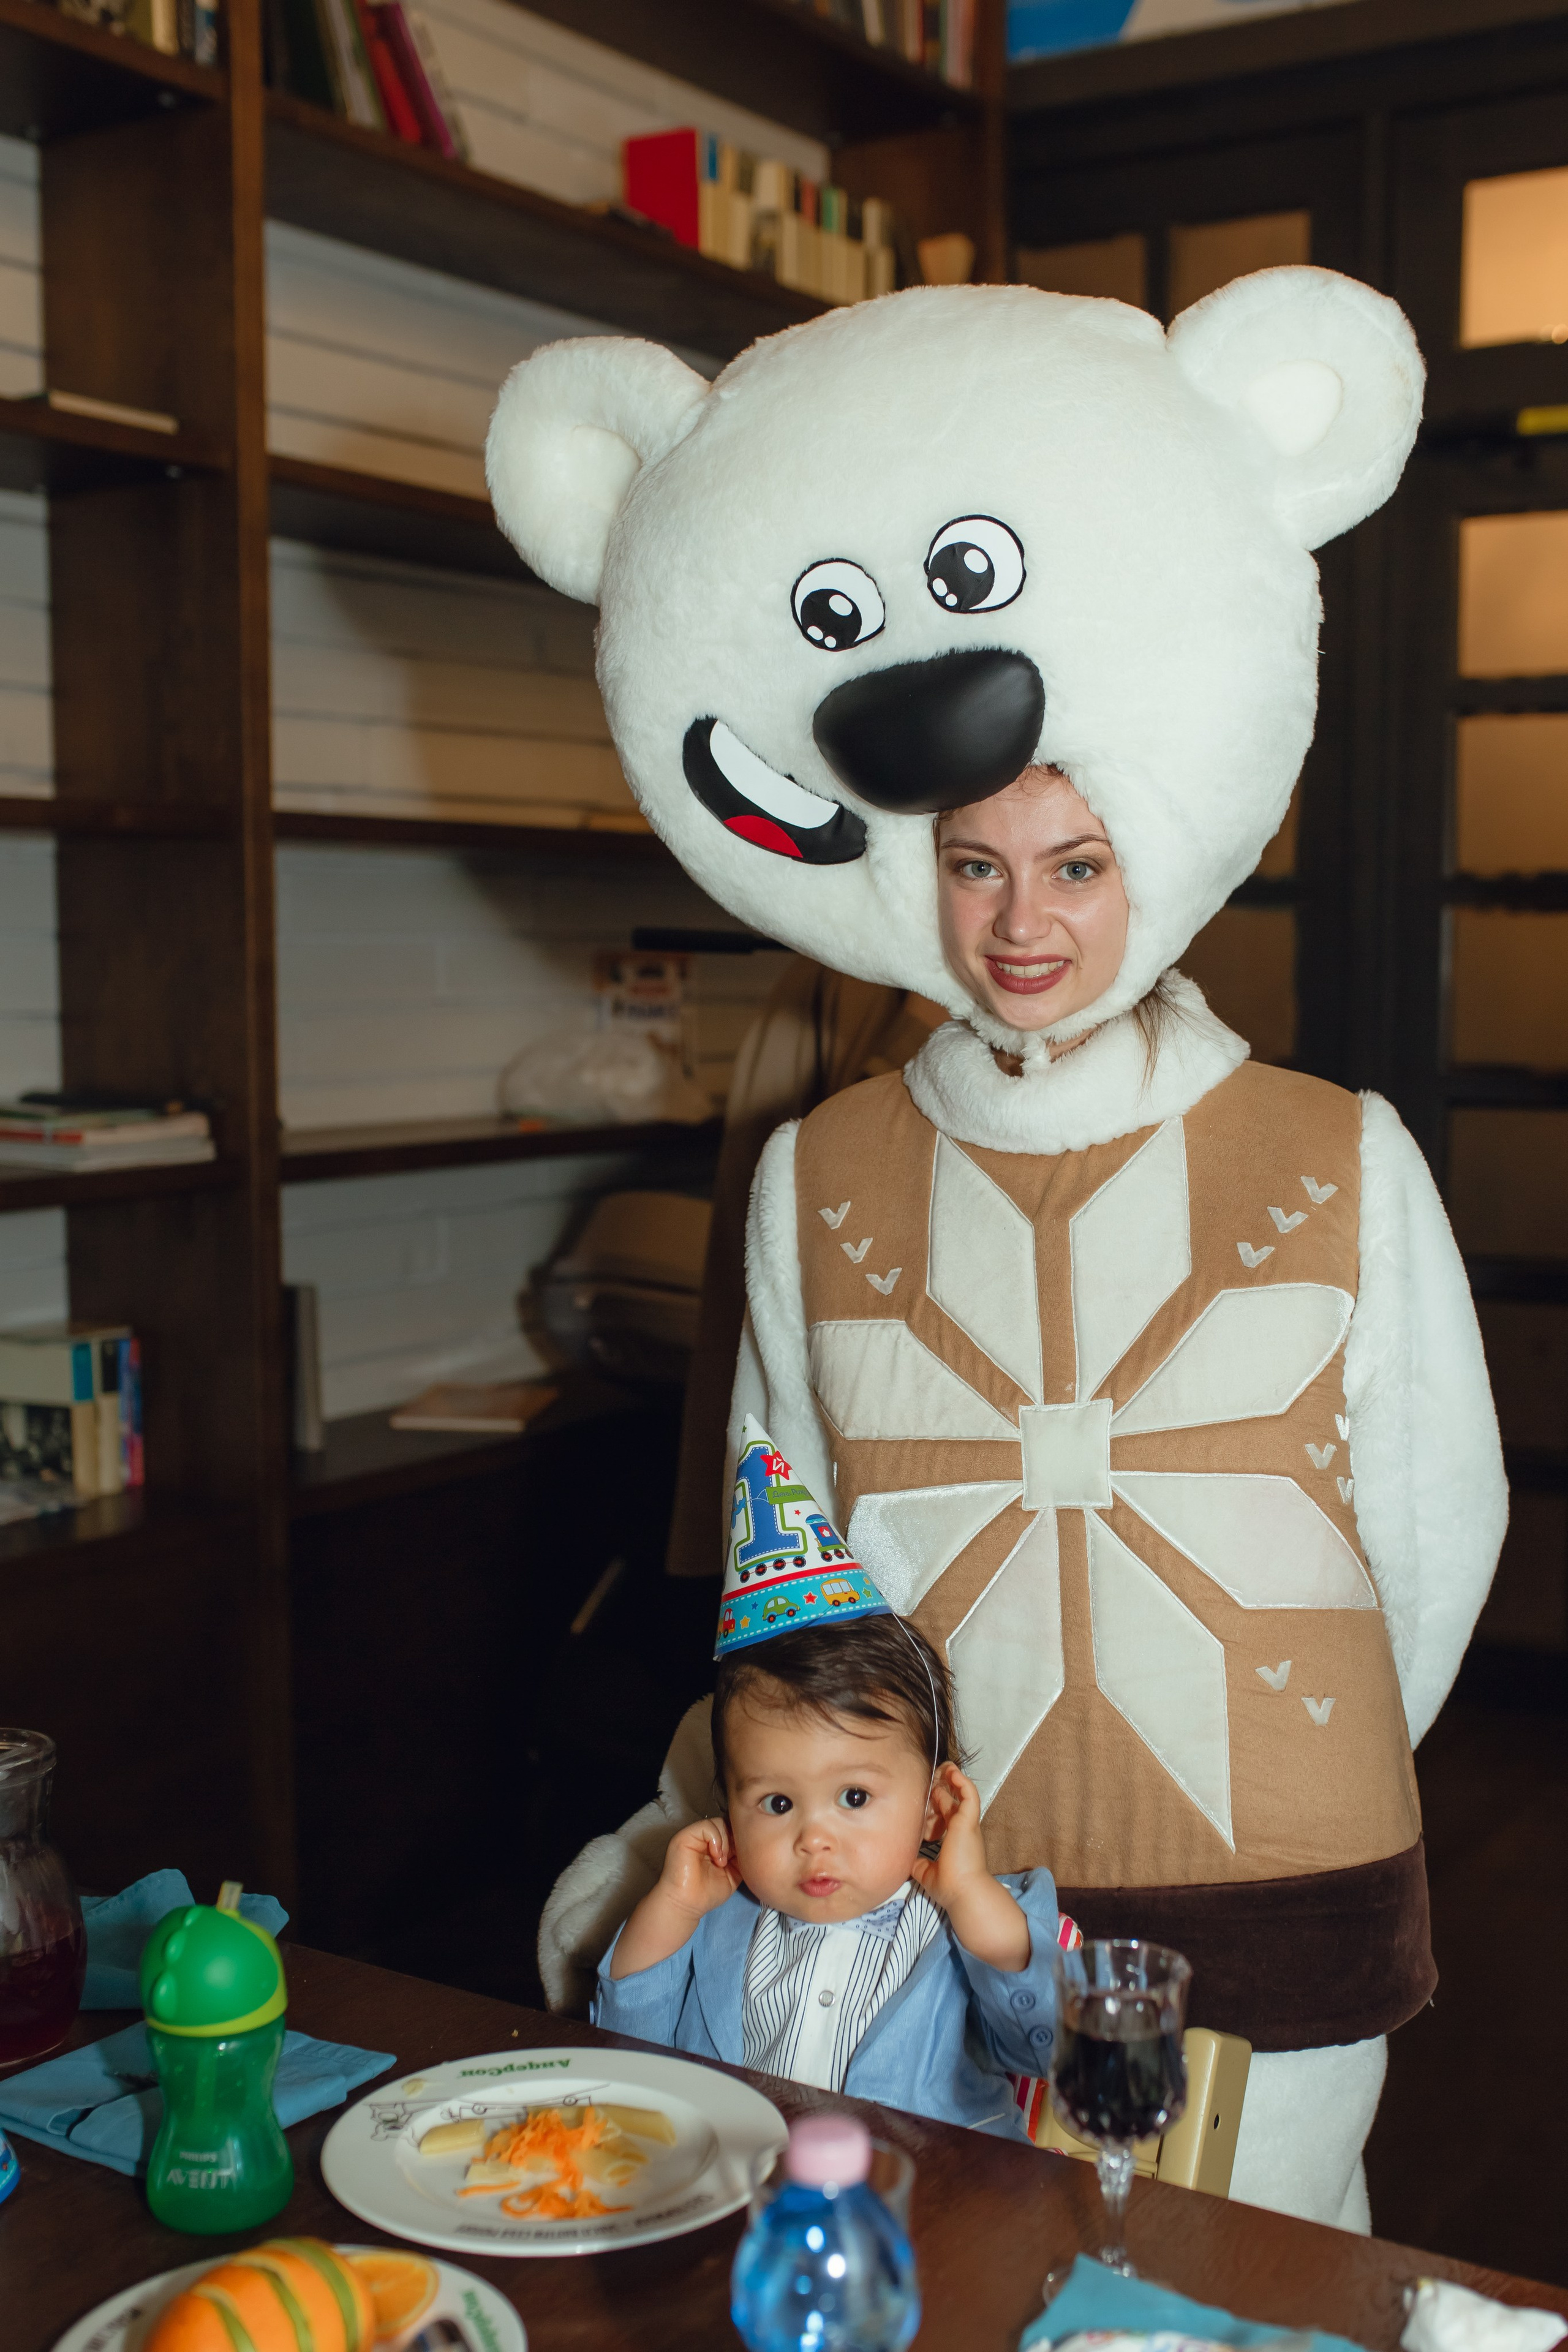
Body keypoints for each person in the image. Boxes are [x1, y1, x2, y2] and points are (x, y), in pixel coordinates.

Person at [487, 269, 1509, 2230]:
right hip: (900, 1926)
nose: (1019, 921)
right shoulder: (819, 1175)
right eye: (972, 864)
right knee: (940, 2276)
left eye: (1073, 863)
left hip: (1276, 1903)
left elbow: (1430, 1539)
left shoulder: (1339, 1153)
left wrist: (1292, 1753)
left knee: (1253, 2290)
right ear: (912, 872)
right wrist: (743, 1820)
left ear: (1154, 844)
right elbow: (797, 1580)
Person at [595, 1422, 1070, 2138]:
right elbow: (626, 2046)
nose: (814, 1837)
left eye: (854, 1797)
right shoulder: (720, 1920)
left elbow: (1049, 2047)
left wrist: (970, 1893)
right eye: (777, 1802)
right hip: (747, 2200)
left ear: (935, 1806)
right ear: (728, 1805)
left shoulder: (971, 1920)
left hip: (931, 2215)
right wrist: (671, 1906)